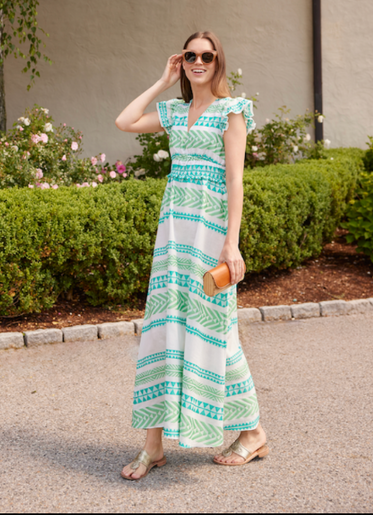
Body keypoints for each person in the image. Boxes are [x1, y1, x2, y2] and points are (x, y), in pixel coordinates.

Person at [115, 31, 268, 480]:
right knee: (163, 330)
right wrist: (163, 80)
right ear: (182, 61)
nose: (198, 61)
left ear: (218, 61)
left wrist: (231, 242)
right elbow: (124, 121)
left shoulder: (231, 111)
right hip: (173, 234)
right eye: (190, 55)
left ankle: (253, 432)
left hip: (210, 232)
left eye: (206, 55)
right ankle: (153, 446)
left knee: (215, 331)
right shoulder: (175, 111)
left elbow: (236, 181)